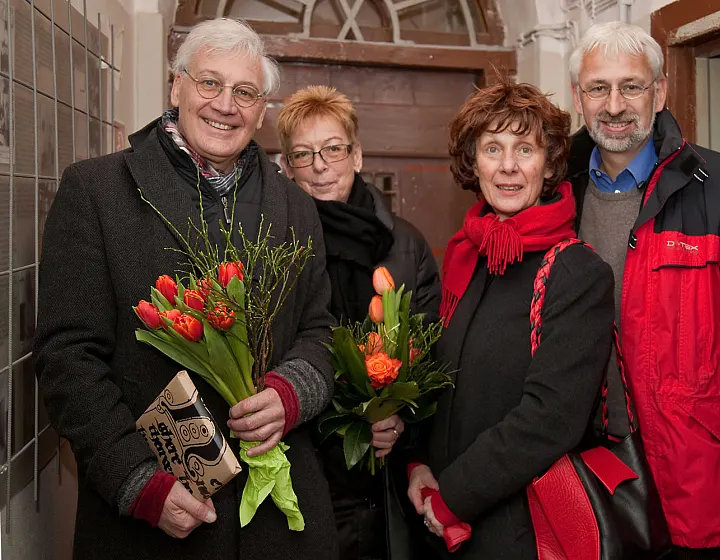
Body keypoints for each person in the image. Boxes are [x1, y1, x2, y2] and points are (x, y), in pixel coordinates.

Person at [34, 18, 338, 559]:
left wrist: (292, 394)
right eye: (209, 83)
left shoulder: (297, 208)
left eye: (245, 91)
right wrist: (138, 483)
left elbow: (319, 328)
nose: (227, 104)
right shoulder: (96, 192)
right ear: (176, 87)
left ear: (262, 109)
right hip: (152, 527)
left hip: (280, 530)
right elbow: (68, 358)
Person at [566, 21, 720, 560]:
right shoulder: (555, 191)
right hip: (579, 477)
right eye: (598, 88)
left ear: (659, 93)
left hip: (694, 487)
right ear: (577, 98)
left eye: (631, 86)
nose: (614, 104)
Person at [405, 77, 615, 559]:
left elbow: (551, 419)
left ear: (549, 164)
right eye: (492, 148)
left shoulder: (577, 272)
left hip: (521, 533)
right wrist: (416, 462)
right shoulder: (466, 255)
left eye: (525, 149)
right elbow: (442, 382)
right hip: (440, 522)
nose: (508, 167)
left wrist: (454, 496)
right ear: (471, 161)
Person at [277, 85, 441, 560]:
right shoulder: (276, 249)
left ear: (357, 155)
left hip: (385, 488)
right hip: (303, 473)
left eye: (333, 149)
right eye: (304, 154)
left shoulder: (406, 246)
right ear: (287, 167)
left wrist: (400, 423)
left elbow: (430, 358)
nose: (321, 165)